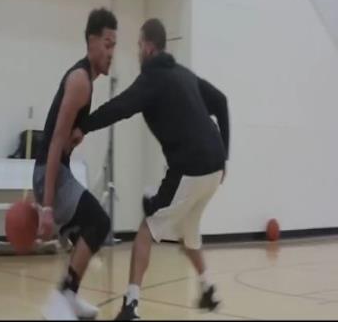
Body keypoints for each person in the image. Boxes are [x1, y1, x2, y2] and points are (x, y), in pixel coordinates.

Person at [72, 18, 229, 320]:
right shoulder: (184, 74)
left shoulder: (152, 78)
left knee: (146, 231)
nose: (137, 52)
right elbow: (221, 101)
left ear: (147, 46)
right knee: (189, 229)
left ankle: (131, 306)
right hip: (215, 168)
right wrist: (226, 157)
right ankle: (208, 288)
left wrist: (84, 126)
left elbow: (119, 107)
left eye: (138, 45)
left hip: (190, 168)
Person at [34, 8, 117, 320]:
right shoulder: (80, 80)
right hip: (50, 173)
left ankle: (69, 296)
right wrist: (46, 206)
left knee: (89, 230)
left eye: (114, 46)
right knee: (99, 222)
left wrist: (78, 132)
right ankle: (61, 298)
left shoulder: (85, 80)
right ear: (92, 41)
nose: (111, 53)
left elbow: (65, 137)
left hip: (56, 171)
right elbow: (55, 141)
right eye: (107, 44)